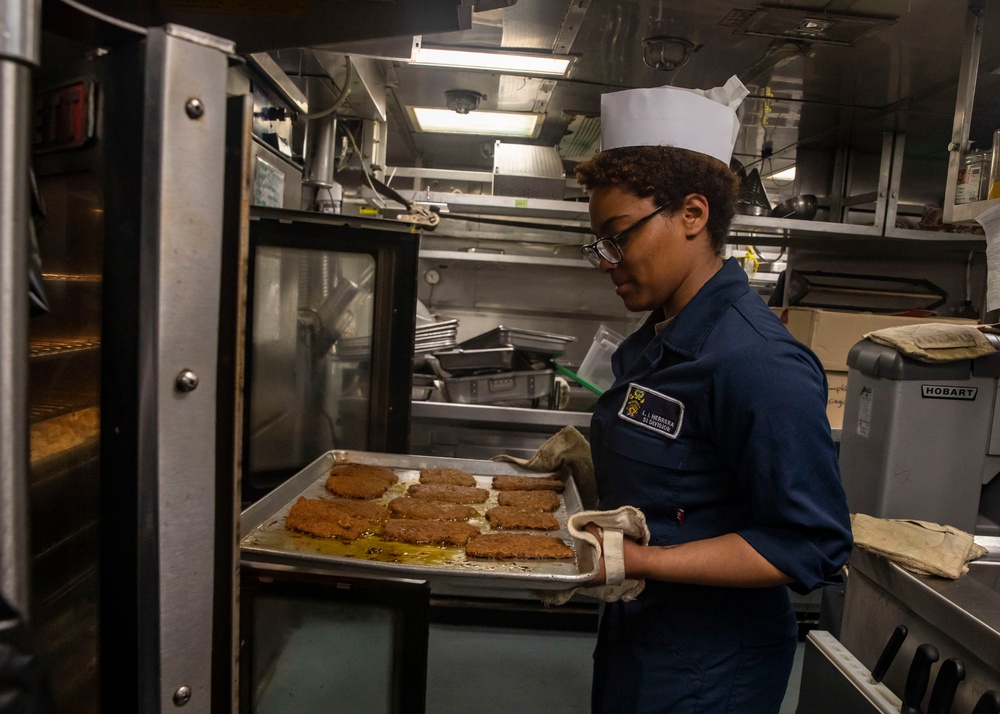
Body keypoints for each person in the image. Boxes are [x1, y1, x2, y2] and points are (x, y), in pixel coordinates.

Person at [572, 78, 853, 713]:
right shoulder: (656, 342)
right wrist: (590, 470)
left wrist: (638, 560)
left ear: (693, 215)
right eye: (599, 243)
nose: (607, 260)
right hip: (641, 637)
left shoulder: (756, 361)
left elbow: (811, 542)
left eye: (620, 235)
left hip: (711, 665)